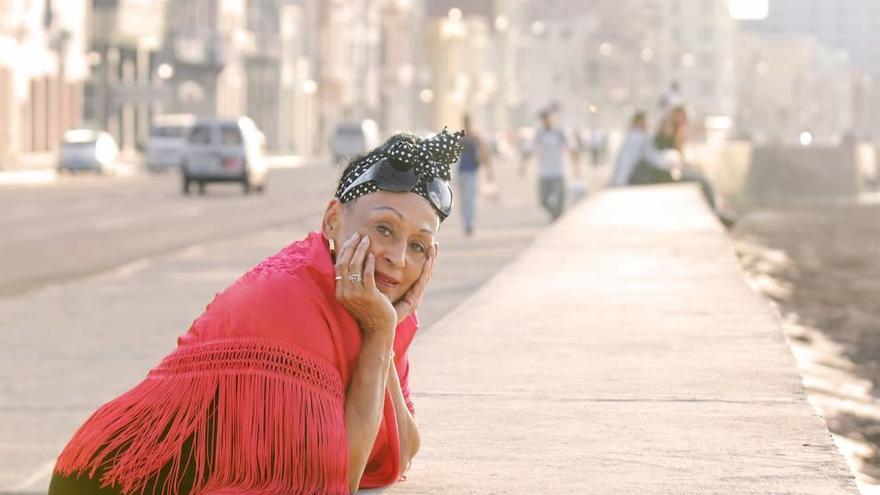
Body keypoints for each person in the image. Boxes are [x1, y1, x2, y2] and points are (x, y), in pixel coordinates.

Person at [48, 128, 464, 495]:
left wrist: (385, 333)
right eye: (384, 229)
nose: (396, 258)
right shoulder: (290, 297)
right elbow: (341, 476)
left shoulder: (375, 305)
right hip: (117, 484)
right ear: (333, 221)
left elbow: (400, 450)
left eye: (417, 246)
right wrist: (378, 334)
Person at [519, 108, 581, 221]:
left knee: (560, 199)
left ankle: (558, 217)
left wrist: (576, 166)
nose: (547, 121)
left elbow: (573, 148)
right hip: (544, 172)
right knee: (543, 200)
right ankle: (554, 213)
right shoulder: (539, 133)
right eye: (544, 119)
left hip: (558, 171)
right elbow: (527, 149)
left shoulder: (561, 132)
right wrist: (523, 166)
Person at [609, 111, 674, 187]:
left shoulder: (629, 137)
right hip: (633, 178)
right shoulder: (641, 138)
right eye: (644, 122)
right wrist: (669, 163)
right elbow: (653, 158)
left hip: (623, 178)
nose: (646, 124)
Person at [456, 114, 493, 236]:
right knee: (463, 200)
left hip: (472, 171)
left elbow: (485, 152)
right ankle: (466, 222)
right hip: (461, 171)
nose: (466, 124)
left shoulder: (475, 137)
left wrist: (489, 171)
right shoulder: (460, 137)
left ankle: (470, 223)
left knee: (470, 198)